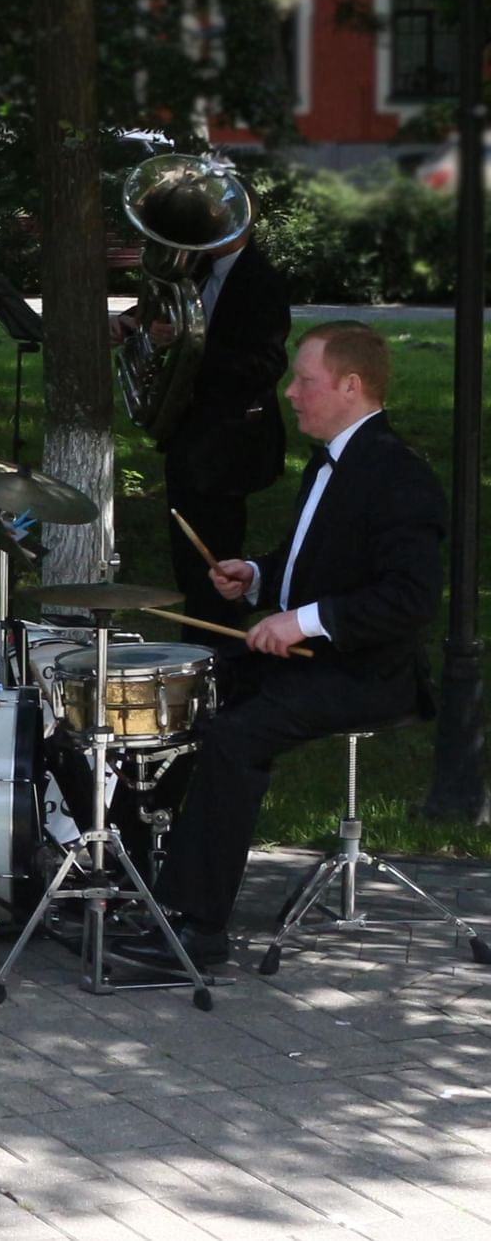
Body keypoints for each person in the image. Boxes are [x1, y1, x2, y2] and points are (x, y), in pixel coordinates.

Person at [112, 322, 444, 971]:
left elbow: (411, 599)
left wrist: (305, 620)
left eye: (305, 380)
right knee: (160, 699)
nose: (290, 393)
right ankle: (133, 884)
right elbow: (319, 560)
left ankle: (198, 931)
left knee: (235, 738)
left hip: (365, 673)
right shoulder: (333, 464)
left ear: (351, 386)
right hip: (309, 656)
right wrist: (259, 575)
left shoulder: (400, 475)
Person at [110, 203, 291, 636]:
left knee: (215, 556)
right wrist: (140, 327)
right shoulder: (199, 268)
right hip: (190, 431)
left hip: (230, 439)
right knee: (188, 556)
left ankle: (217, 646)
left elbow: (266, 364)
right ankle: (201, 639)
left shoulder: (260, 279)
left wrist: (194, 345)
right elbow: (166, 315)